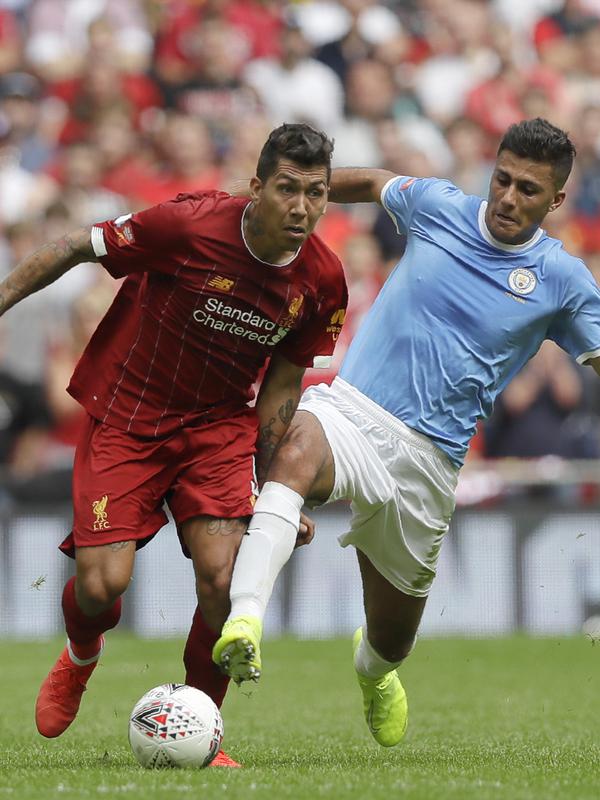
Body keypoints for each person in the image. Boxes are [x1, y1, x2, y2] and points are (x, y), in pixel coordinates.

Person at [213, 117, 600, 748]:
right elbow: (370, 182)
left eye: (528, 190)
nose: (507, 198)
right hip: (355, 411)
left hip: (432, 462)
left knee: (392, 639)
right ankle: (246, 620)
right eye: (501, 179)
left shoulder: (562, 281)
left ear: (555, 200)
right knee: (298, 449)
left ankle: (375, 672)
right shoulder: (439, 205)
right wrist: (297, 194)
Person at [0, 123, 347, 766]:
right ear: (256, 188)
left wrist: (275, 494)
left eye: (317, 193)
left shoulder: (322, 281)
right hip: (128, 416)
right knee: (103, 586)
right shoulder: (189, 226)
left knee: (223, 581)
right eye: (288, 189)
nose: (301, 208)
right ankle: (81, 655)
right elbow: (75, 245)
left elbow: (282, 390)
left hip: (216, 429)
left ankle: (201, 723)